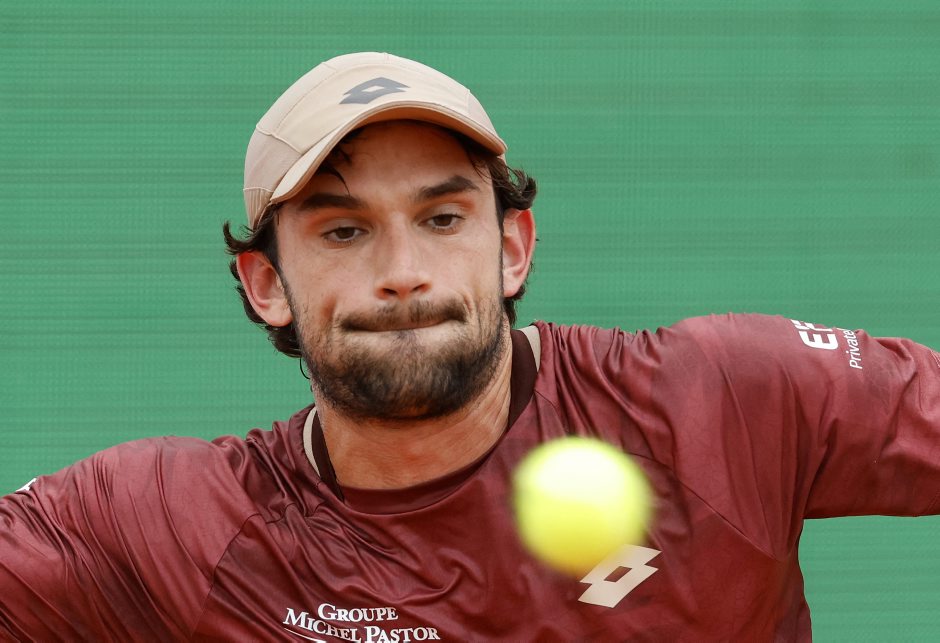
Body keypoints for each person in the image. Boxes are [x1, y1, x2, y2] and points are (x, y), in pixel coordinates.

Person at [1, 51, 937, 641]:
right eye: (343, 231)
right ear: (266, 283)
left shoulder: (722, 401)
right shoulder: (174, 529)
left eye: (443, 217)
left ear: (512, 246)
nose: (404, 272)